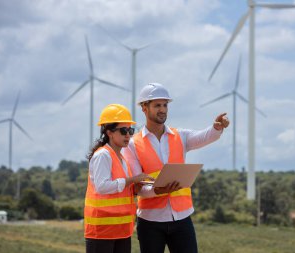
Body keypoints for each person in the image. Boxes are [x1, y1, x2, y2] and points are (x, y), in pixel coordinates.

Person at [123, 83, 230, 253]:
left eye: (165, 105)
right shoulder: (132, 145)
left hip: (182, 218)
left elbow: (204, 136)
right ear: (144, 108)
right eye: (157, 105)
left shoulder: (180, 136)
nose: (163, 110)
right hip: (150, 221)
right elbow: (138, 187)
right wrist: (157, 190)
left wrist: (217, 127)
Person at [84, 104, 153, 253]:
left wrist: (136, 187)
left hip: (121, 231)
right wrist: (132, 180)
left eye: (130, 130)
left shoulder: (121, 158)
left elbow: (120, 190)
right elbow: (102, 187)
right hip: (101, 232)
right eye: (123, 131)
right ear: (109, 132)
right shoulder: (103, 155)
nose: (128, 135)